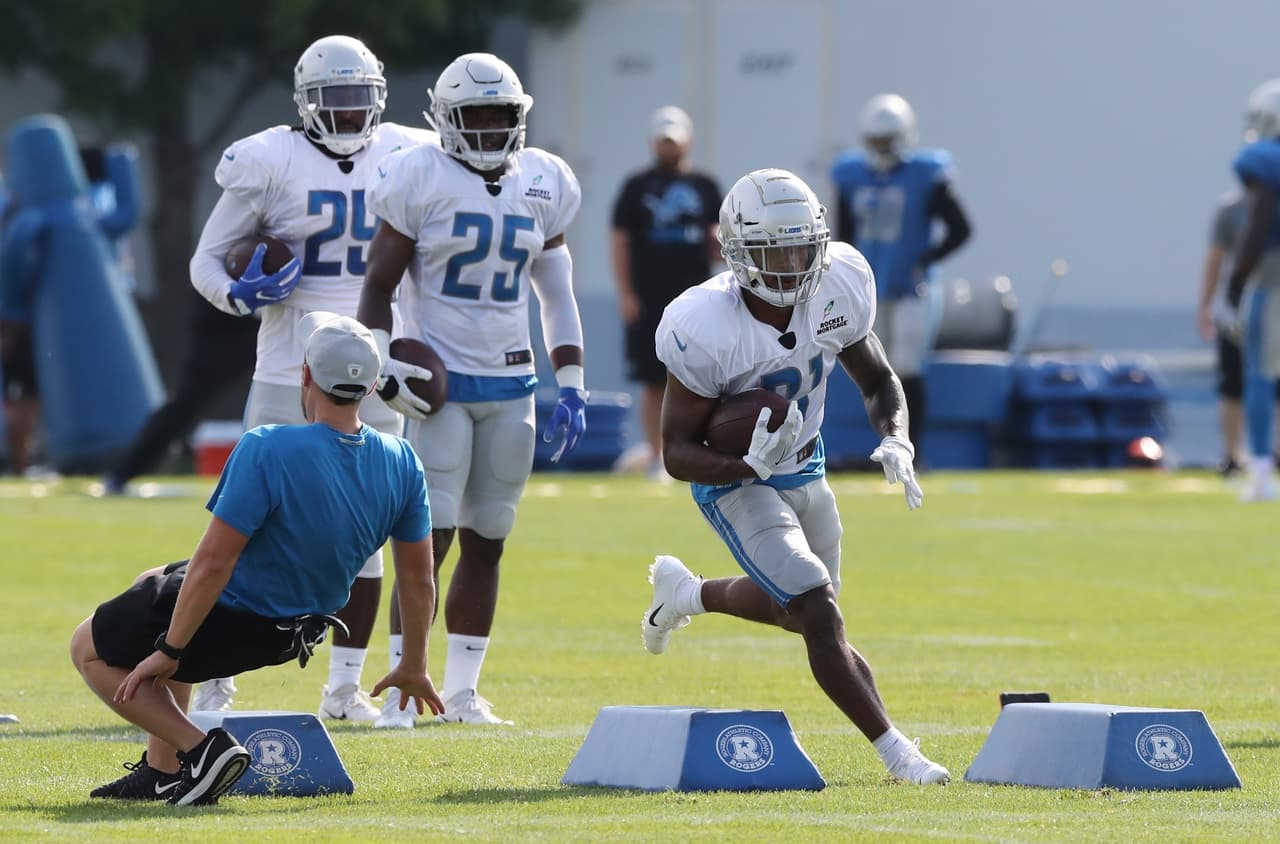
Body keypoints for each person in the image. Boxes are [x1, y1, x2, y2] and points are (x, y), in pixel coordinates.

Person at [643, 168, 949, 785]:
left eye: (800, 245)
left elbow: (879, 379)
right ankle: (898, 755)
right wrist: (742, 465)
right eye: (771, 249)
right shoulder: (703, 324)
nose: (789, 262)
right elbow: (676, 450)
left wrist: (896, 436)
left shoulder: (840, 280)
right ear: (736, 252)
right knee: (817, 609)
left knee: (799, 611)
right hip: (736, 480)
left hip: (805, 461)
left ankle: (687, 595)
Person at [69, 313, 442, 805]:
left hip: (235, 619)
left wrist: (170, 649)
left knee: (86, 647)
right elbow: (418, 579)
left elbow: (214, 566)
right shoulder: (402, 459)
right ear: (372, 387)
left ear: (305, 375)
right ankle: (160, 772)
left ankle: (201, 751)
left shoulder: (267, 445)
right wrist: (413, 663)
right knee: (156, 580)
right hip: (299, 631)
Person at [358, 52, 587, 727]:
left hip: (513, 384)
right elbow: (377, 285)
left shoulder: (545, 179)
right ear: (445, 119)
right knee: (429, 539)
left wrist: (570, 381)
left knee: (491, 535)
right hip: (444, 386)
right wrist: (382, 363)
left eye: (500, 116)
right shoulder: (417, 174)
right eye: (474, 116)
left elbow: (558, 294)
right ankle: (405, 686)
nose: (488, 129)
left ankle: (461, 693)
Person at [830, 94, 971, 463]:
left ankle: (913, 451)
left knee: (906, 367)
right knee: (875, 369)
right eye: (875, 141)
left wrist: (925, 260)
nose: (881, 148)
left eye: (886, 140)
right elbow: (842, 235)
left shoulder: (925, 173)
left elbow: (960, 228)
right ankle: (885, 447)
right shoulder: (851, 174)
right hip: (869, 286)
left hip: (913, 288)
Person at [610, 106, 722, 481]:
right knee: (653, 379)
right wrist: (626, 292)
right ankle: (659, 457)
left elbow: (720, 238)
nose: (669, 148)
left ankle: (699, 451)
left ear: (687, 141)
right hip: (650, 297)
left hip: (697, 298)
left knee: (705, 377)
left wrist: (719, 246)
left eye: (674, 141)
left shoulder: (706, 186)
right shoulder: (636, 187)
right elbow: (620, 242)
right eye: (663, 141)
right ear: (653, 143)